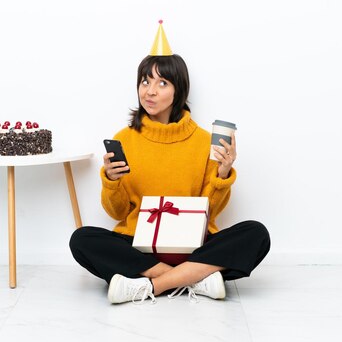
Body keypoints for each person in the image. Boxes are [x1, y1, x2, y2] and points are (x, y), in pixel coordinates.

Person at [69, 21, 270, 304]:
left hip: (193, 245)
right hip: (141, 247)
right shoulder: (124, 139)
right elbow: (116, 213)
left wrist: (222, 174)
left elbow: (210, 212)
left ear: (179, 90)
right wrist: (111, 181)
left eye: (162, 83)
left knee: (256, 234)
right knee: (82, 239)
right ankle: (194, 279)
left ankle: (148, 286)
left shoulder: (203, 141)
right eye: (145, 81)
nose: (149, 91)